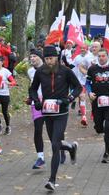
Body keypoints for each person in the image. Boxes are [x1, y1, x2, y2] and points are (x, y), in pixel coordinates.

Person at [29, 45, 82, 191]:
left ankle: (52, 180)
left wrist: (69, 99)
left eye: (51, 58)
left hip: (61, 112)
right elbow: (33, 89)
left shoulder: (65, 71)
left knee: (54, 145)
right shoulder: (40, 72)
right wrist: (37, 101)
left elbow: (78, 87)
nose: (49, 61)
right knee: (55, 142)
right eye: (46, 59)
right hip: (47, 112)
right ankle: (71, 147)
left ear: (57, 57)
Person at [86, 48, 109, 163]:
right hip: (96, 102)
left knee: (108, 127)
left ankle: (106, 152)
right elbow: (88, 82)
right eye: (99, 56)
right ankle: (99, 127)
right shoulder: (92, 69)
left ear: (107, 56)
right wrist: (89, 92)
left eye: (103, 56)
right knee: (99, 128)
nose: (101, 58)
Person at [27, 49, 46, 168]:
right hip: (37, 103)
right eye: (31, 56)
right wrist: (30, 97)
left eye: (34, 56)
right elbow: (32, 86)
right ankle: (40, 157)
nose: (32, 58)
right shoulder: (30, 71)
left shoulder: (48, 68)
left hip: (50, 103)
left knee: (53, 131)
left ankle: (63, 149)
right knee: (38, 130)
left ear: (40, 57)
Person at [0, 56, 16, 135]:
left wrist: (10, 83)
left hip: (5, 94)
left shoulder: (6, 71)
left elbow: (13, 81)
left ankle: (8, 126)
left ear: (2, 63)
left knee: (4, 111)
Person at [72, 45, 89, 126]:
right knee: (81, 96)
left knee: (92, 98)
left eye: (84, 48)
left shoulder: (90, 57)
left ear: (87, 49)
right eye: (81, 48)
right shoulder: (77, 57)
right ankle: (84, 116)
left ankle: (93, 113)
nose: (82, 49)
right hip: (80, 81)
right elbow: (73, 67)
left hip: (89, 81)